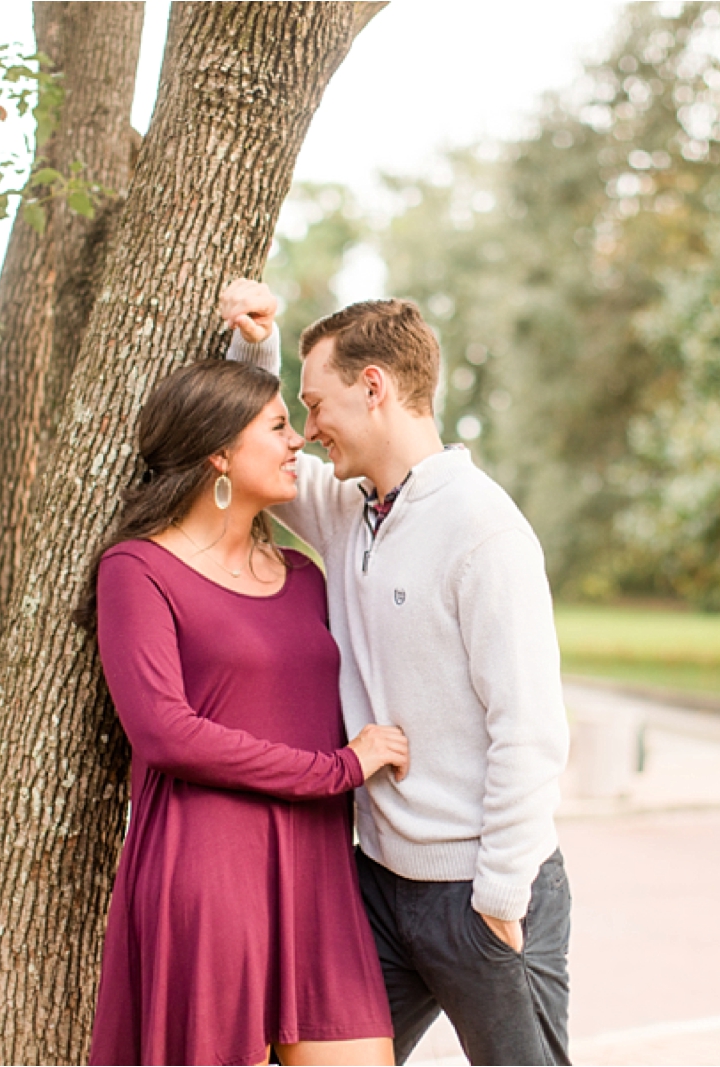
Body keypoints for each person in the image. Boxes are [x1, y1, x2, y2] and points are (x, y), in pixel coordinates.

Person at [217, 279, 573, 1066]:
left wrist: (502, 895)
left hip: (481, 892)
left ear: (372, 388)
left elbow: (532, 727)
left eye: (316, 406)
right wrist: (252, 346)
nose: (306, 432)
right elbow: (258, 461)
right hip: (374, 888)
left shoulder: (485, 531)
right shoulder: (349, 508)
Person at [76, 352, 410, 1066]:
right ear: (220, 453)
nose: (299, 442)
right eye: (279, 426)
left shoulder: (300, 576)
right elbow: (167, 733)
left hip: (320, 874)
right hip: (210, 873)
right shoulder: (137, 570)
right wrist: (341, 768)